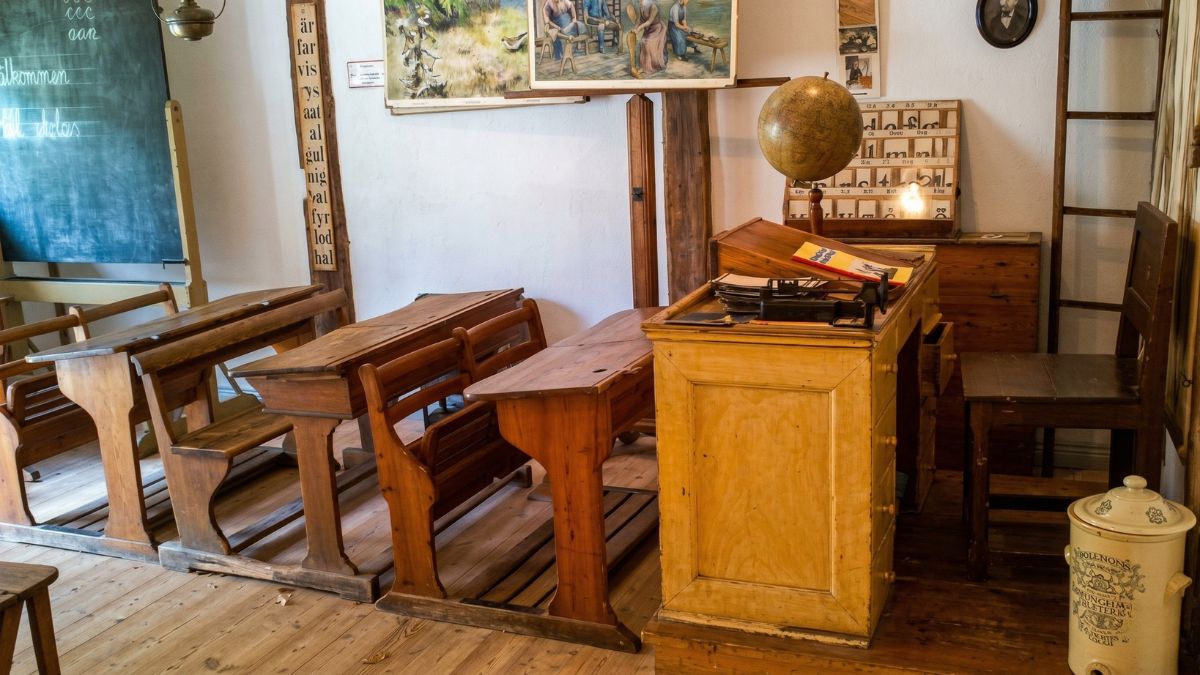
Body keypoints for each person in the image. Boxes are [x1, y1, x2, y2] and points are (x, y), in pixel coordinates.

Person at [634, 0, 668, 75]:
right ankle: (643, 67)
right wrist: (635, 28)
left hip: (657, 29)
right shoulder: (641, 6)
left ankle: (654, 65)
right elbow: (639, 20)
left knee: (648, 44)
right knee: (642, 42)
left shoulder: (653, 6)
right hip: (648, 29)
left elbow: (649, 21)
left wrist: (639, 28)